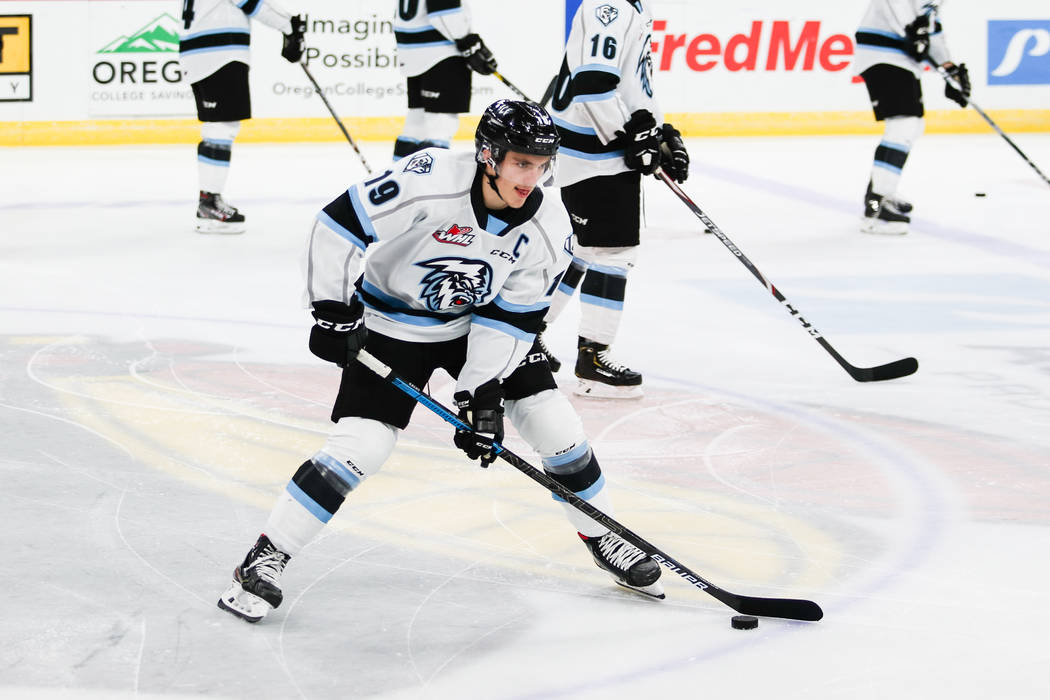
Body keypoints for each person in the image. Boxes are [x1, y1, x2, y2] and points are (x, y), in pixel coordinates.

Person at [217, 100, 664, 624]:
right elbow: (337, 225)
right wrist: (332, 312)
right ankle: (267, 556)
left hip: (476, 324)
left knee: (551, 419)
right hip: (389, 325)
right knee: (363, 444)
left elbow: (515, 319)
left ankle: (603, 533)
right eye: (522, 162)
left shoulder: (549, 226)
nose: (532, 177)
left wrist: (481, 391)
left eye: (543, 165)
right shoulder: (429, 178)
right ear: (489, 155)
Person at [535, 0, 690, 399]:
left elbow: (630, 80)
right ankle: (593, 359)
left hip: (594, 148)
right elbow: (592, 84)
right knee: (612, 253)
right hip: (594, 153)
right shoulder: (612, 5)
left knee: (586, 251)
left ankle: (525, 335)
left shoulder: (631, 5)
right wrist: (629, 140)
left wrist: (656, 130)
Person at [179, 0, 306, 234]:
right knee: (220, 127)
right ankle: (208, 204)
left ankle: (209, 200)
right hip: (218, 52)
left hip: (204, 51)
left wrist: (288, 24)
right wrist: (288, 25)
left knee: (219, 126)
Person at [854, 0, 970, 235]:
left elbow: (928, 25)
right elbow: (908, 17)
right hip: (883, 52)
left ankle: (880, 191)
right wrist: (912, 28)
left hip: (901, 58)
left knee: (912, 126)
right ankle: (878, 203)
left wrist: (948, 66)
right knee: (904, 125)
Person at [392, 0, 498, 160]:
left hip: (413, 53)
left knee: (417, 121)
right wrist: (467, 41)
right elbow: (444, 13)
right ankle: (430, 181)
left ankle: (397, 176)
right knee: (441, 125)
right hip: (442, 55)